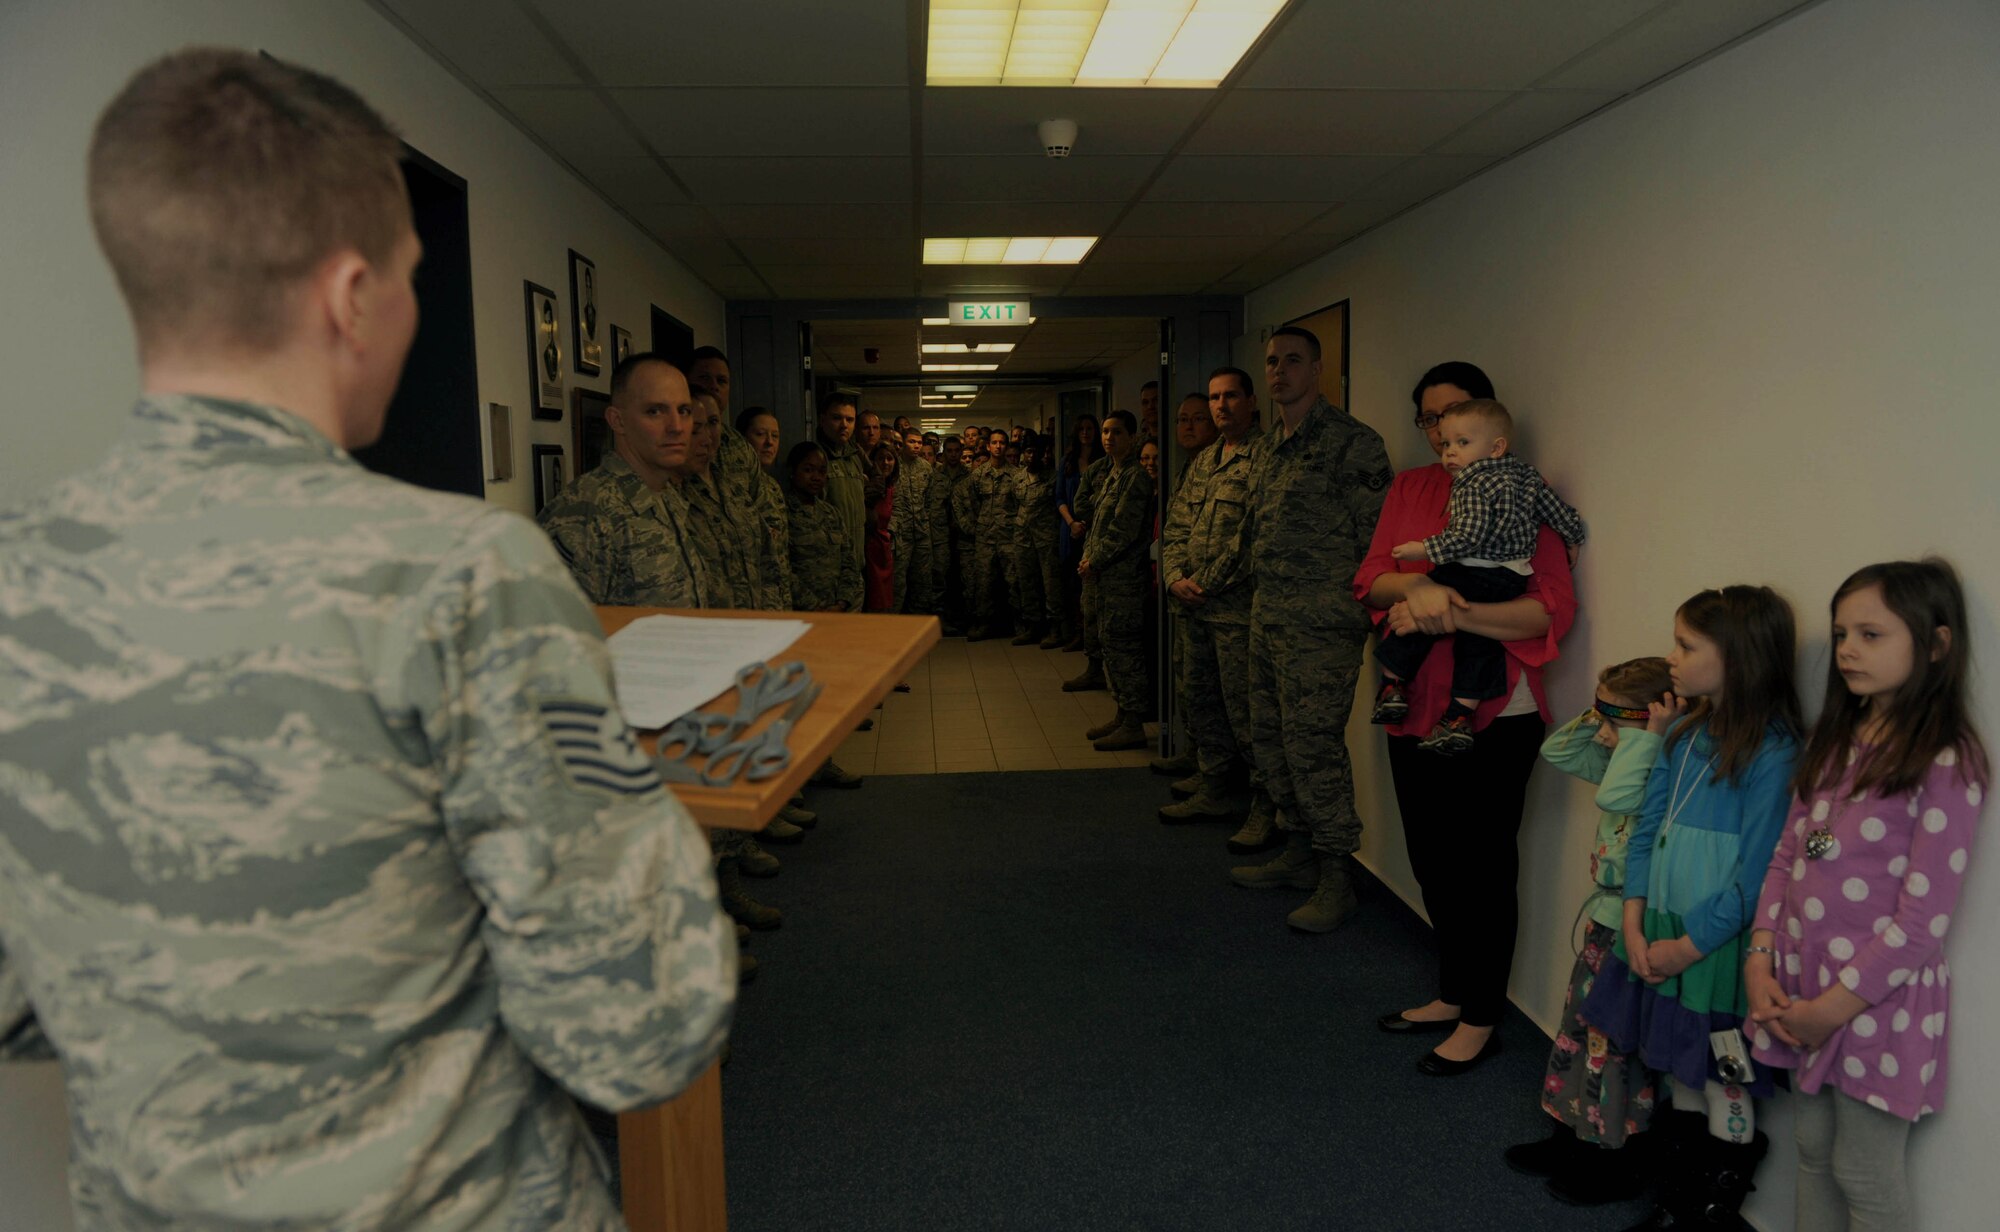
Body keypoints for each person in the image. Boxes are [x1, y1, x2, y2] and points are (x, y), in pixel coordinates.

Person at [0, 50, 731, 1229]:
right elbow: (641, 1023)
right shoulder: (463, 575)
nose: (405, 307)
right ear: (348, 295)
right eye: (407, 278)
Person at [1747, 560, 1986, 1232]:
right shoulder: (1837, 741)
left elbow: (1919, 924)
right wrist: (1759, 957)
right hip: (1801, 982)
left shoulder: (1947, 760)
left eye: (1871, 634)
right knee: (1811, 1150)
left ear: (1937, 644)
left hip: (1875, 1003)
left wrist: (1831, 1009)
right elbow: (1795, 852)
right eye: (1842, 632)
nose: (1847, 648)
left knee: (1865, 1175)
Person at [1359, 360, 1576, 1070]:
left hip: (1493, 715)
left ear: (1490, 422)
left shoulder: (1519, 490)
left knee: (1482, 869)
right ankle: (1454, 991)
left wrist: (1455, 608)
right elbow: (1371, 578)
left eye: (1456, 416)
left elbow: (1549, 607)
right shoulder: (1411, 486)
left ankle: (1482, 1015)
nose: (1443, 432)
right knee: (1432, 861)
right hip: (1412, 707)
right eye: (1430, 420)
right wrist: (1418, 587)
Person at [1579, 585, 1803, 1230]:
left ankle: (1713, 1205)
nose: (1672, 657)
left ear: (1739, 656)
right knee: (1677, 1068)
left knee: (1721, 1074)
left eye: (1686, 645)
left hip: (1716, 949)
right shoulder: (1682, 729)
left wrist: (1691, 944)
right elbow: (1646, 826)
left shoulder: (1776, 749)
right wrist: (1634, 915)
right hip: (1658, 929)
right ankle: (1676, 1198)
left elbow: (1759, 874)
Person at [1227, 327, 1393, 935]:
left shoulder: (1354, 444)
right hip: (1268, 618)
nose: (1279, 372)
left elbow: (1376, 542)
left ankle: (1335, 875)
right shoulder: (1270, 446)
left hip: (1322, 627)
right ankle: (1297, 851)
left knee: (1313, 746)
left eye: (1292, 360)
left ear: (1317, 369)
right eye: (1271, 361)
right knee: (1269, 740)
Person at [1503, 657, 1673, 1207]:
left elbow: (1613, 799)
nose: (1601, 734)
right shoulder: (1623, 755)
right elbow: (1557, 752)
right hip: (1603, 924)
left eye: (1610, 724)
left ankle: (1611, 1158)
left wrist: (1645, 739)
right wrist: (1604, 713)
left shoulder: (1652, 769)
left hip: (1634, 929)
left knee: (1611, 1045)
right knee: (1576, 1033)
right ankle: (1568, 1133)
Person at [1374, 398, 1587, 754]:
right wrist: (1574, 536)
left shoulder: (1472, 481)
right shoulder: (1529, 476)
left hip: (1471, 569)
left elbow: (1467, 537)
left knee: (1416, 618)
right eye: (1446, 443)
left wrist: (1423, 550)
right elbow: (1559, 512)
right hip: (1509, 579)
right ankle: (1460, 715)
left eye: (1461, 443)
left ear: (1496, 446)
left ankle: (1392, 684)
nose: (1450, 454)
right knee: (1481, 641)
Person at [1159, 369, 1267, 837]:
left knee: (1247, 713)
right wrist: (1173, 577)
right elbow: (1177, 525)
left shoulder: (1266, 457)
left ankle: (1265, 806)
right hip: (1193, 607)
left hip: (1236, 612)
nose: (1222, 406)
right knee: (1200, 700)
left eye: (1230, 397)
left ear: (1250, 401)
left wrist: (1203, 581)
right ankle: (1215, 786)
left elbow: (1252, 536)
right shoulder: (1204, 461)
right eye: (1215, 398)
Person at [540, 353, 709, 607]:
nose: (677, 426)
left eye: (684, 411)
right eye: (655, 411)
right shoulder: (588, 510)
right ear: (617, 421)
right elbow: (559, 632)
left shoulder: (667, 496)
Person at [1078, 411, 1156, 751]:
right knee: (1111, 648)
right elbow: (1097, 522)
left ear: (1132, 436)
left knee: (1126, 650)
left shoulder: (1135, 477)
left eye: (1117, 432)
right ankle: (1123, 714)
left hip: (1124, 579)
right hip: (1105, 578)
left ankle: (1134, 722)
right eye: (1106, 431)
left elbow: (1122, 530)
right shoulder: (1113, 473)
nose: (1109, 438)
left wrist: (1095, 559)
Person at [786, 442, 861, 612]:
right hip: (802, 611)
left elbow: (849, 562)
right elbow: (782, 569)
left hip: (837, 610)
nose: (816, 477)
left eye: (822, 471)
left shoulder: (831, 513)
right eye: (808, 470)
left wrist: (842, 602)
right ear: (793, 471)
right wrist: (816, 607)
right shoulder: (781, 512)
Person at [1054, 413, 1103, 652]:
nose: (1085, 432)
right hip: (1070, 528)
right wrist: (1072, 522)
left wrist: (1087, 522)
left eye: (1090, 428)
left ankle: (1092, 634)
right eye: (1081, 428)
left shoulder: (1103, 460)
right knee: (1072, 584)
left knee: (1091, 583)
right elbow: (1059, 497)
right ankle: (1077, 631)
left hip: (1095, 528)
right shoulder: (1068, 461)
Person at [738, 405, 793, 611]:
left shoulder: (772, 486)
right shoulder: (736, 489)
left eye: (775, 436)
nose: (769, 443)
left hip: (779, 598)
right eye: (760, 434)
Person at [1010, 434, 1061, 645]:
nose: (1031, 456)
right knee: (1026, 582)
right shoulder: (1018, 478)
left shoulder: (1052, 476)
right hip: (1023, 537)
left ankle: (1055, 628)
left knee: (1050, 584)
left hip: (1046, 537)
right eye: (1028, 451)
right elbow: (1016, 504)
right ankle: (1033, 626)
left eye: (1035, 452)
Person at [967, 428, 1017, 641]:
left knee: (1014, 581)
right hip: (986, 536)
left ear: (1006, 446)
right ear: (988, 446)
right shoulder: (978, 474)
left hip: (1009, 536)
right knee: (984, 582)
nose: (998, 446)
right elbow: (974, 503)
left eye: (1002, 443)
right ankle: (984, 624)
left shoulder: (1016, 475)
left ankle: (1019, 623)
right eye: (994, 443)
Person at [812, 392, 867, 579]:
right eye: (837, 418)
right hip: (828, 566)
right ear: (822, 419)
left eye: (850, 419)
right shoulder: (815, 457)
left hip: (856, 561)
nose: (844, 425)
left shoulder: (854, 458)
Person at [895, 426, 935, 614]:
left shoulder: (926, 467)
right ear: (903, 443)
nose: (916, 446)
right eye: (911, 441)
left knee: (922, 581)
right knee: (898, 581)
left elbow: (929, 499)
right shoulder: (894, 464)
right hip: (901, 534)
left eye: (919, 442)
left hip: (921, 533)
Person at [863, 442, 899, 612]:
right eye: (880, 459)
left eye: (889, 459)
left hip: (885, 548)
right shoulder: (868, 486)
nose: (885, 463)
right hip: (870, 549)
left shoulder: (891, 487)